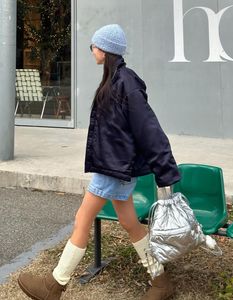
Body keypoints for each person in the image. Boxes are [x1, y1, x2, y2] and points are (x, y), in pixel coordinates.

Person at [18, 24, 180, 300]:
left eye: (94, 45)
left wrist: (165, 170)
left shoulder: (125, 83)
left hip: (114, 168)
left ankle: (54, 285)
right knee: (129, 222)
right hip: (115, 166)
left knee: (82, 218)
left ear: (104, 50)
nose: (91, 49)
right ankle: (160, 279)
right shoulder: (114, 79)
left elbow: (148, 128)